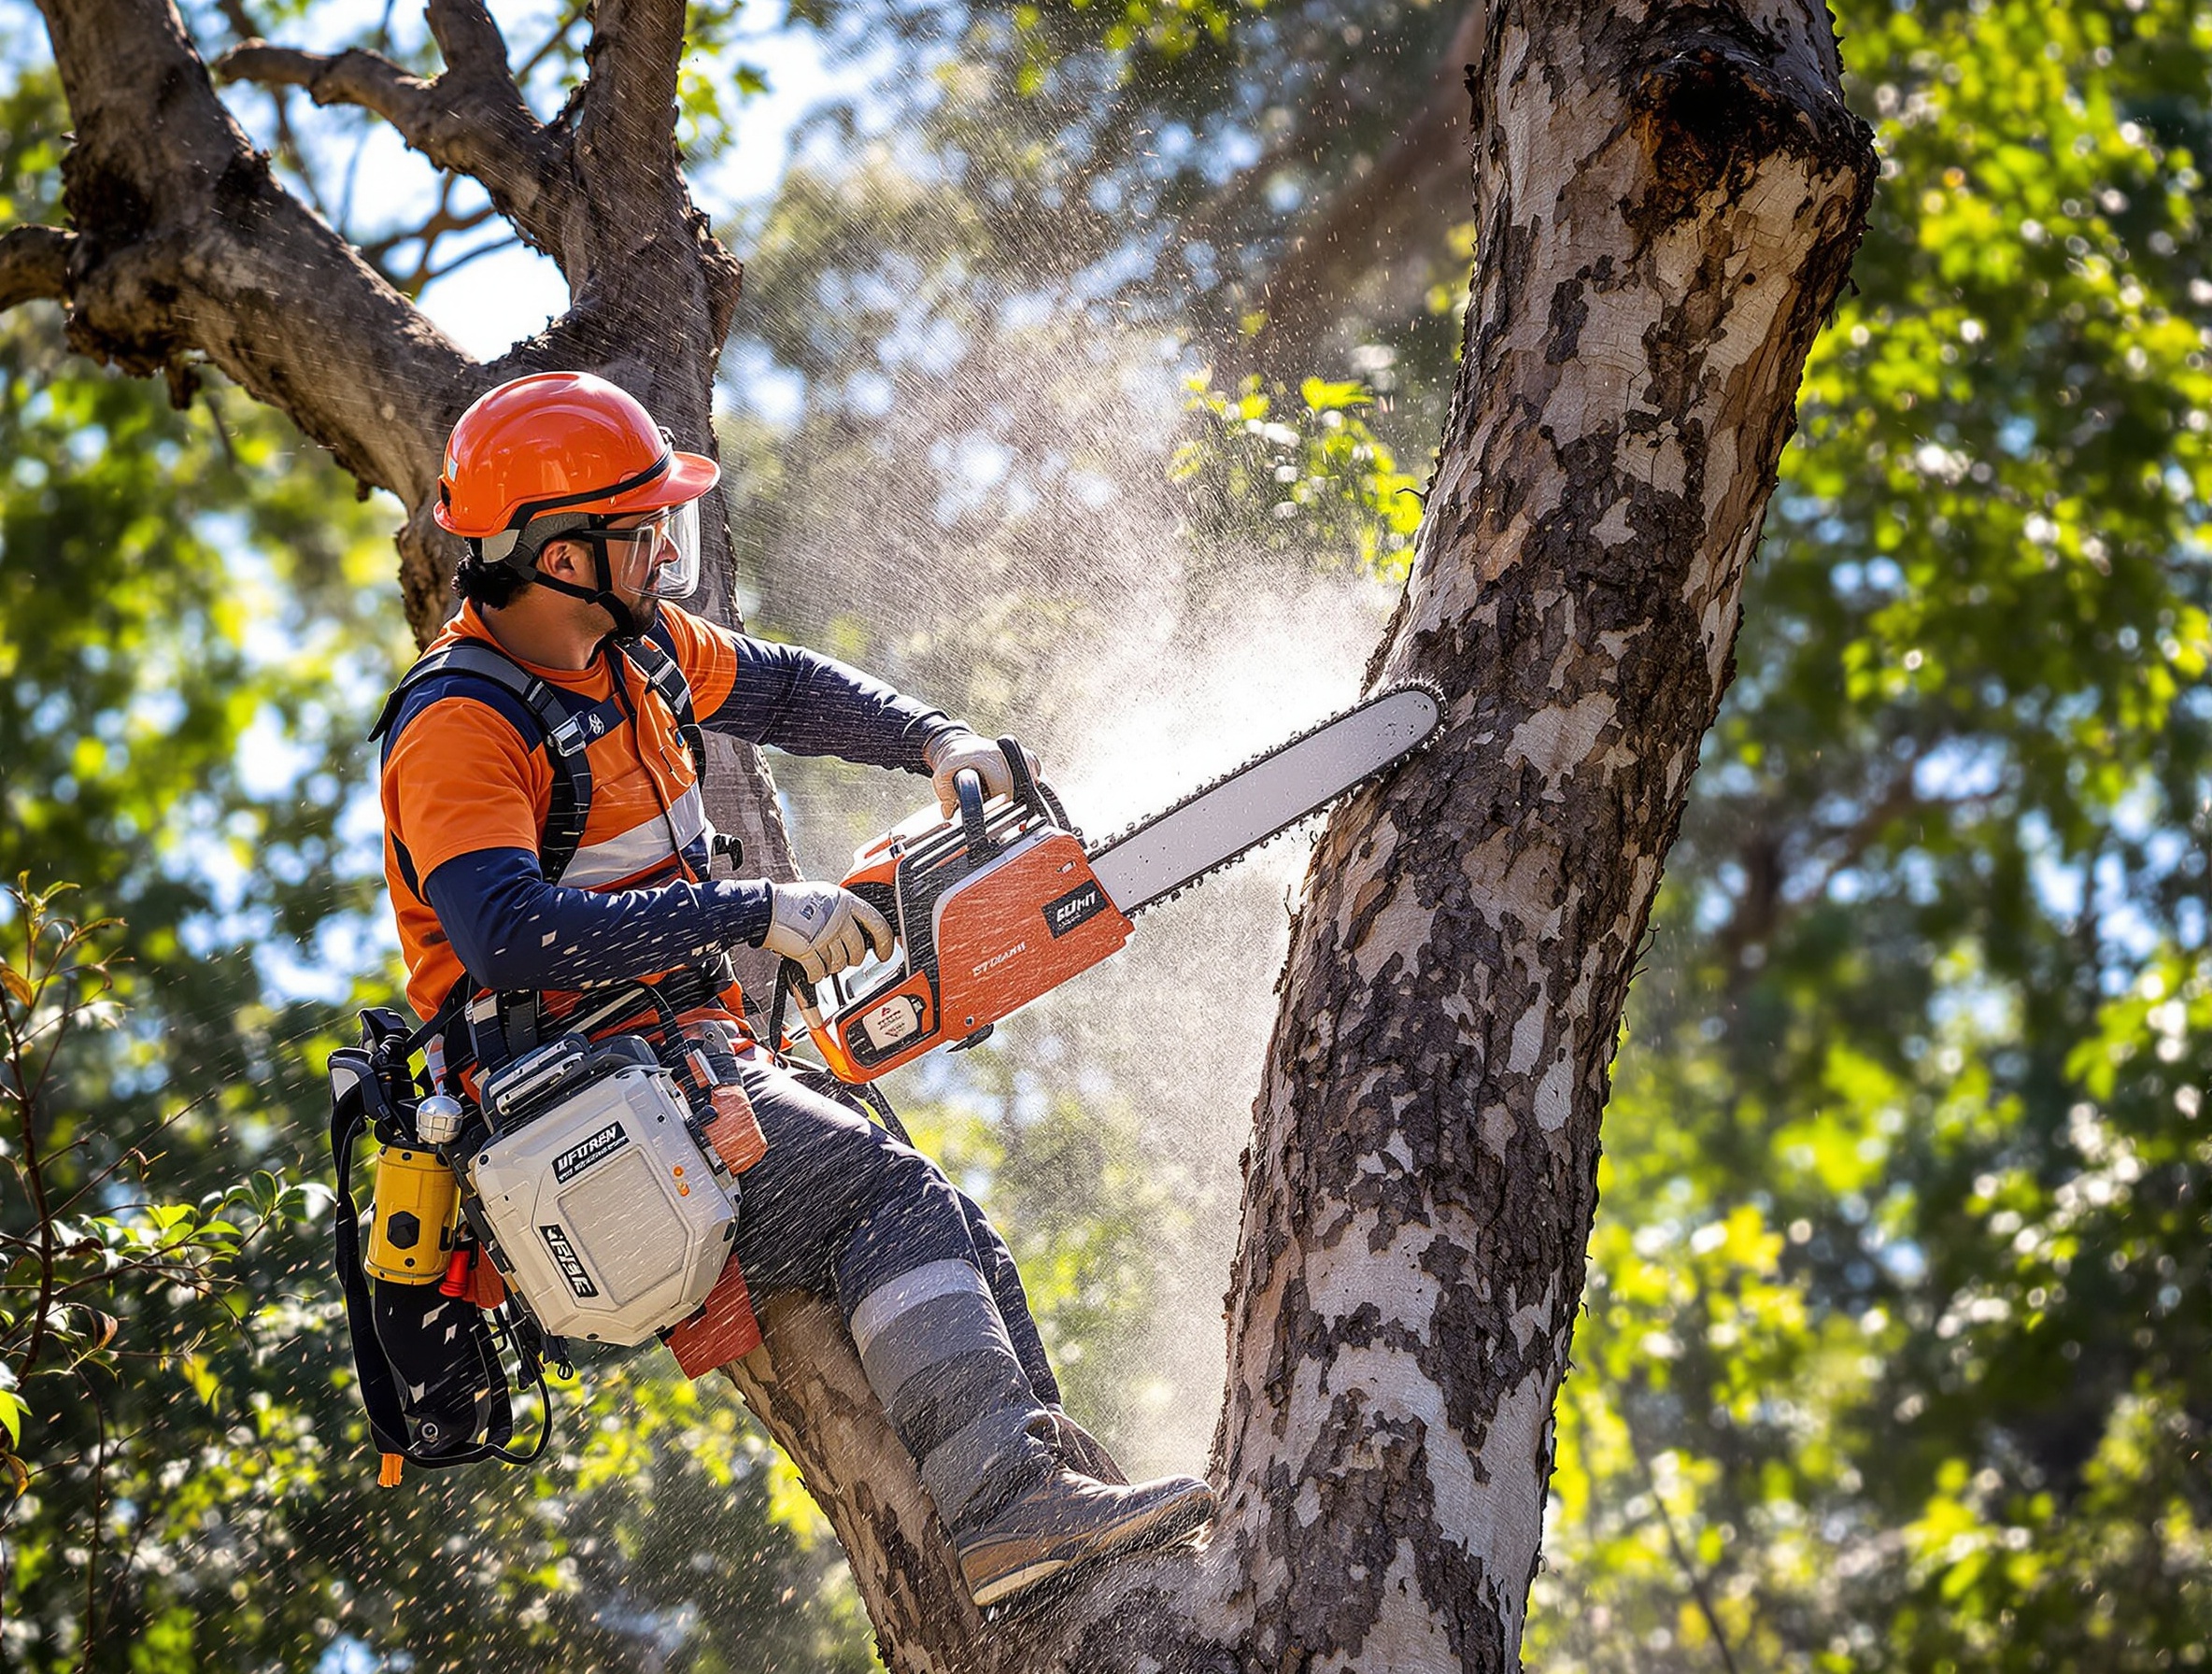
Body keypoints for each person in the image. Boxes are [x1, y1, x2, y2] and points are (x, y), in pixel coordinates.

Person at [375, 370, 1214, 1608]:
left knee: (956, 1225)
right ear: (557, 552)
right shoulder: (458, 723)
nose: (665, 549)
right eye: (636, 529)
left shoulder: (640, 651)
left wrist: (935, 739)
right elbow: (505, 935)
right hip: (561, 1115)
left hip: (666, 1077)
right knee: (886, 1198)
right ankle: (998, 1512)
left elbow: (779, 686)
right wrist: (754, 909)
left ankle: (1047, 1503)